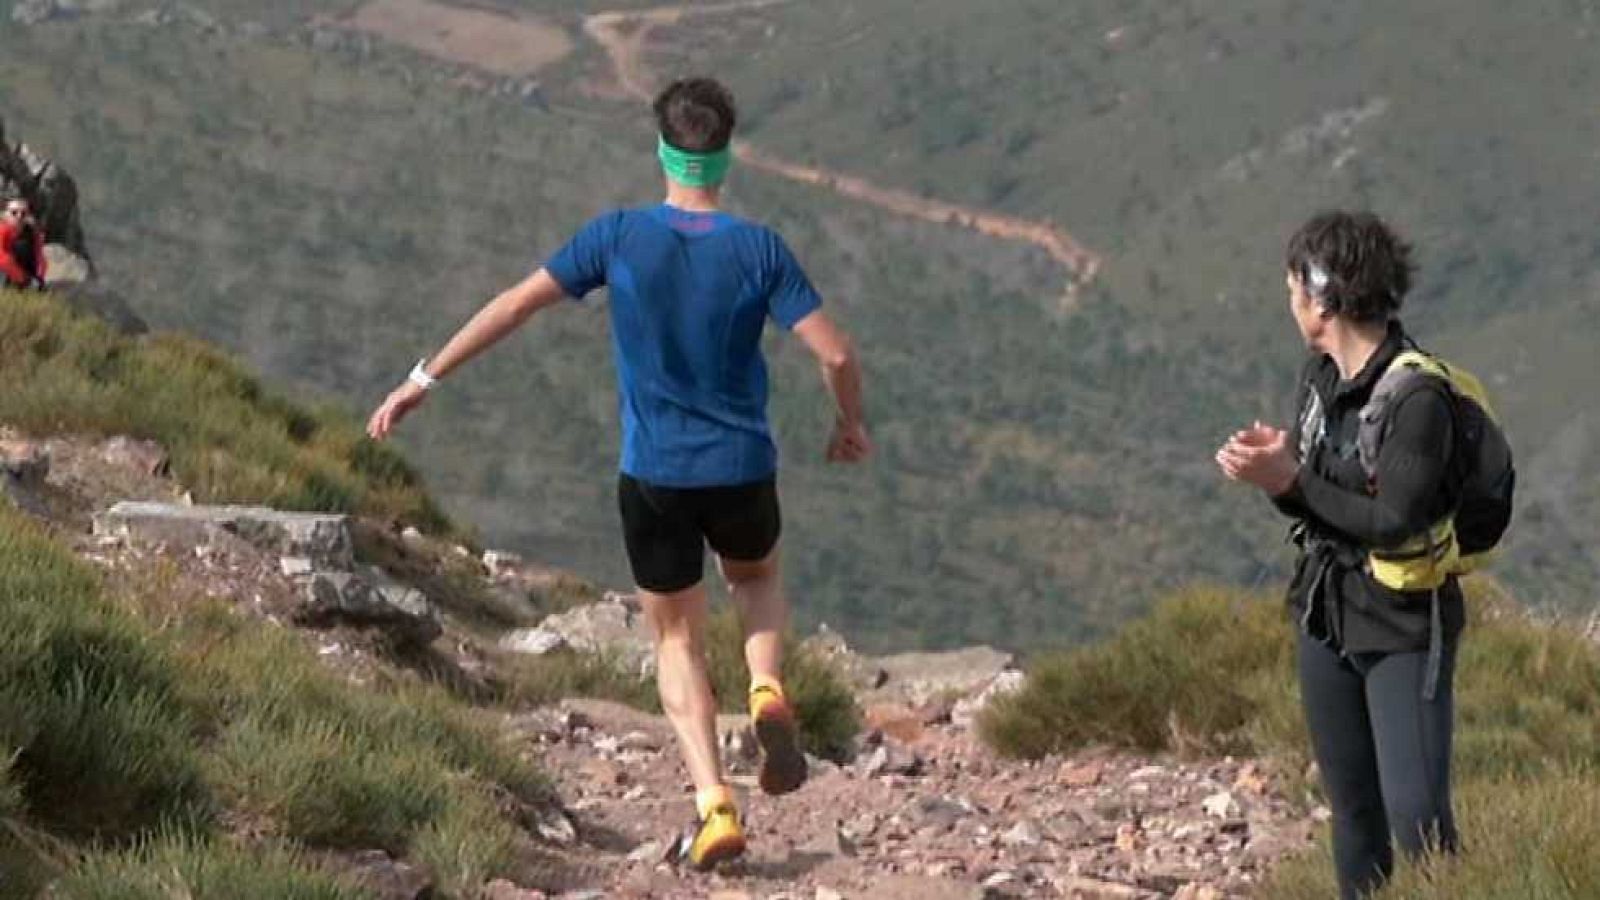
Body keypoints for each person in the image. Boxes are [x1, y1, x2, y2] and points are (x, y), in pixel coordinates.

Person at [367, 77, 870, 870]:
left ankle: (714, 806)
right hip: (741, 468)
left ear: (663, 150)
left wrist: (424, 379)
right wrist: (848, 423)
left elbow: (512, 305)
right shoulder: (760, 249)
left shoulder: (615, 237)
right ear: (725, 156)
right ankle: (766, 686)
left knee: (675, 637)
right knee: (756, 579)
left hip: (654, 476)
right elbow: (836, 353)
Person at [1215, 211, 1462, 899]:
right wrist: (1278, 475)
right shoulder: (1319, 379)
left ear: (1322, 297)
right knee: (1354, 815)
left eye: (1295, 287)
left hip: (1404, 626)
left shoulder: (1418, 398)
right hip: (1327, 615)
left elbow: (1392, 520)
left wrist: (1291, 480)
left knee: (1418, 819)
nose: (1290, 302)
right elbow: (1318, 504)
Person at [1, 196, 47, 289]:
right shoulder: (2, 231)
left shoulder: (32, 233)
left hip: (25, 274)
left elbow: (39, 257)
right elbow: (2, 257)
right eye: (14, 213)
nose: (19, 216)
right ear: (5, 214)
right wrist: (23, 278)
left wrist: (39, 277)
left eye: (23, 213)